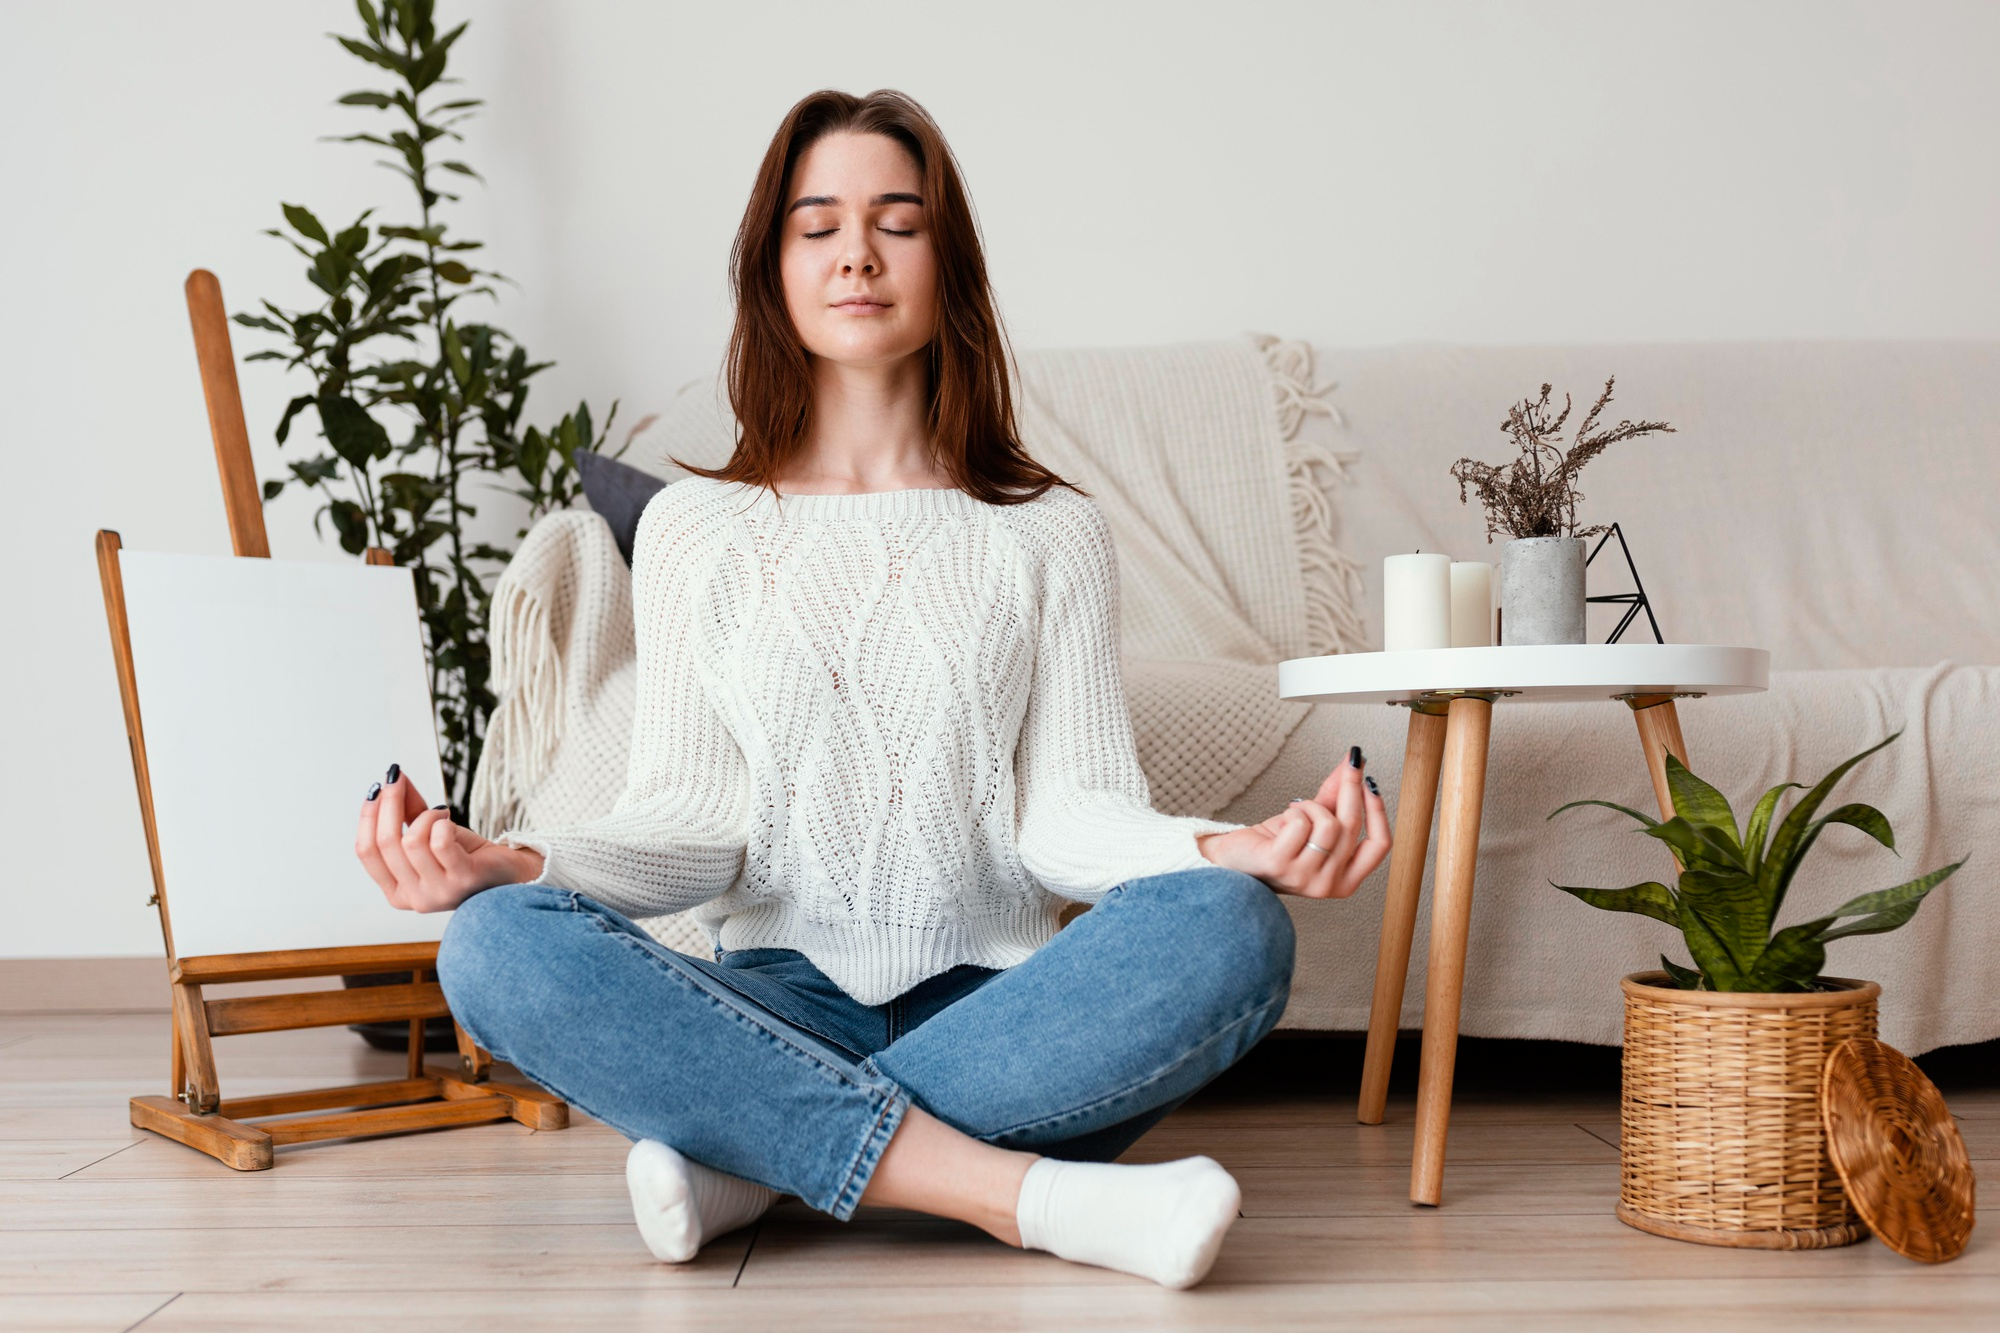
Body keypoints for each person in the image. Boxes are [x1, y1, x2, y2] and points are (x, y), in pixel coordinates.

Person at [354, 88, 1389, 1291]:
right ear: (771, 268)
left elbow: (1068, 820)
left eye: (897, 221)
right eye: (817, 224)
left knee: (1233, 927)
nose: (857, 252)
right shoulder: (698, 529)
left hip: (1008, 1017)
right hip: (774, 1002)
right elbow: (690, 827)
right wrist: (514, 862)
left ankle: (748, 1160)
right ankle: (1025, 1195)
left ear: (945, 262)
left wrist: (1230, 846)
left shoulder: (1049, 532)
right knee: (490, 947)